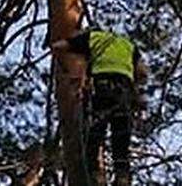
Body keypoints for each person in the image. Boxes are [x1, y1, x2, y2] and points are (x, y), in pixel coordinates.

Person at [51, 28, 144, 186]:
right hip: (124, 92)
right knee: (121, 137)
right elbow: (142, 72)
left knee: (94, 134)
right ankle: (122, 176)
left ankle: (95, 175)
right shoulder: (128, 45)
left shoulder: (91, 38)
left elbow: (60, 45)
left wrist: (56, 46)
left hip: (102, 89)